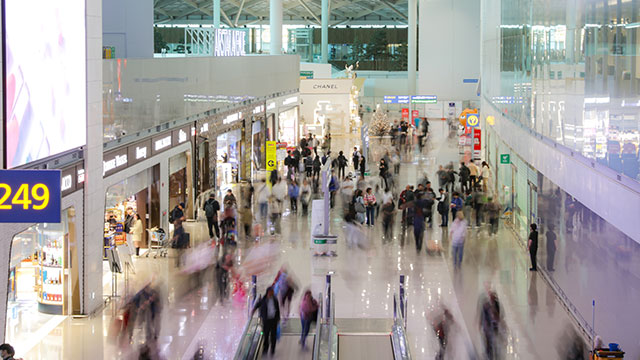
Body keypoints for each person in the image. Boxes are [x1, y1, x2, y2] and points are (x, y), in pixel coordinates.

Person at [253, 287, 280, 356]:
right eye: (272, 292)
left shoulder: (274, 299)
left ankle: (272, 350)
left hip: (273, 320)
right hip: (266, 321)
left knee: (273, 336)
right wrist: (253, 310)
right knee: (266, 335)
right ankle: (265, 350)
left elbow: (277, 309)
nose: (273, 293)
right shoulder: (264, 300)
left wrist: (278, 318)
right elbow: (258, 304)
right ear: (268, 292)